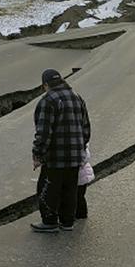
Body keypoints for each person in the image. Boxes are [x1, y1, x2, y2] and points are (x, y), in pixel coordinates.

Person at [31, 69, 90, 233]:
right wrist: (81, 148)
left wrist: (38, 154)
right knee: (70, 189)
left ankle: (49, 222)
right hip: (75, 155)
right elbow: (86, 128)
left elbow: (43, 132)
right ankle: (67, 222)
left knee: (47, 188)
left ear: (45, 85)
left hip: (55, 156)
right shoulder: (77, 98)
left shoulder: (48, 101)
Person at [76, 144, 95, 219]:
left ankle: (80, 214)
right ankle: (81, 214)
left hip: (80, 174)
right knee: (79, 195)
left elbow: (84, 157)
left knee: (78, 196)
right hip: (83, 174)